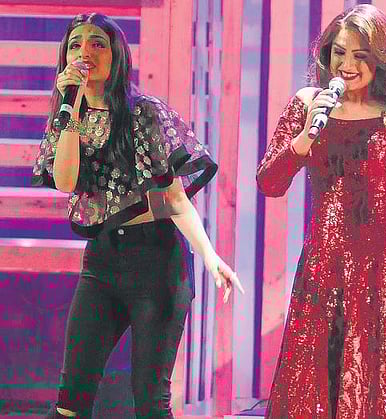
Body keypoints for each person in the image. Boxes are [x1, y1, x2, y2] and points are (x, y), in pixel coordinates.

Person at [257, 5, 386, 418]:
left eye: (360, 56)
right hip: (328, 260)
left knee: (385, 378)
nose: (347, 65)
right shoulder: (307, 104)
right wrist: (303, 139)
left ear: (382, 60)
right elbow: (270, 183)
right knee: (321, 375)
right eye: (339, 53)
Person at [32, 13, 243, 418]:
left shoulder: (143, 112)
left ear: (116, 55)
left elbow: (174, 200)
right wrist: (70, 109)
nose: (85, 52)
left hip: (155, 263)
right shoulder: (66, 116)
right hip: (102, 262)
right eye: (76, 44)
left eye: (97, 43)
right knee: (70, 399)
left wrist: (210, 256)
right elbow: (65, 181)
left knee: (149, 401)